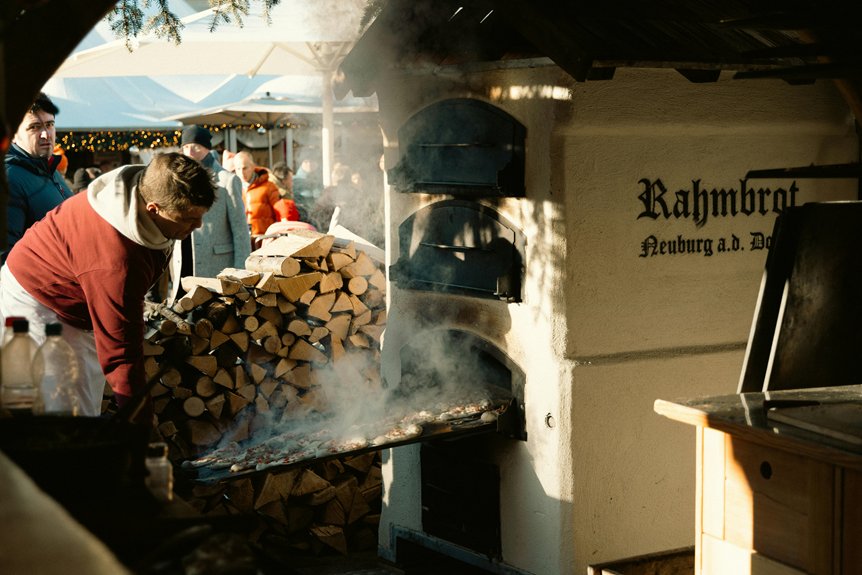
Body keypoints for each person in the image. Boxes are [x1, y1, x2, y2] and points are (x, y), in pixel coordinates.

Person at [0, 152, 215, 419]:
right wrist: (143, 434)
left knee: (86, 394)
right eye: (189, 218)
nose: (199, 225)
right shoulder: (115, 261)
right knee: (65, 406)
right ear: (154, 209)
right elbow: (122, 356)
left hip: (77, 284)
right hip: (36, 300)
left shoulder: (145, 191)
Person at [171, 126, 251, 301]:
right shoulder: (177, 180)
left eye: (196, 146)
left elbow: (240, 231)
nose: (190, 151)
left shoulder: (227, 180)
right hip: (183, 265)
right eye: (185, 147)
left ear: (207, 148)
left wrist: (240, 274)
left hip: (216, 268)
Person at [3, 92, 74, 262]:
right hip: (40, 286)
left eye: (50, 124)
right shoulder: (9, 177)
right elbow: (5, 258)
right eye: (34, 127)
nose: (46, 134)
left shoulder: (50, 169)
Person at [233, 150, 294, 242]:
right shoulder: (233, 189)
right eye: (238, 169)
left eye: (245, 168)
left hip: (264, 240)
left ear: (253, 167)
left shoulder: (268, 187)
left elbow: (282, 212)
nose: (242, 172)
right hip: (242, 241)